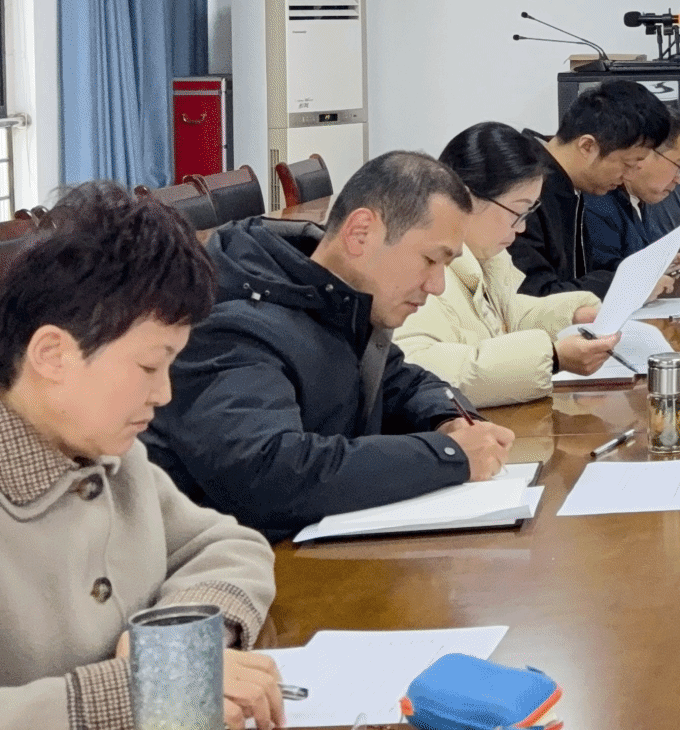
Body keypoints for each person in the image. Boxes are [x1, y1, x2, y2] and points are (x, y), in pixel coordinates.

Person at [2, 186, 282, 730]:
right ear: (52, 353)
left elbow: (228, 545)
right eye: (150, 366)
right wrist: (146, 693)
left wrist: (177, 645)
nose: (164, 394)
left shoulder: (108, 454)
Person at [144, 152, 516, 542]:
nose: (437, 285)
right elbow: (268, 473)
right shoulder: (234, 324)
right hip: (230, 560)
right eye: (430, 260)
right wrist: (447, 456)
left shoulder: (335, 296)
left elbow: (400, 382)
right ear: (360, 233)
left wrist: (447, 419)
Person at [396, 122, 619, 406]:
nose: (522, 228)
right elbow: (419, 368)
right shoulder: (422, 268)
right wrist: (552, 357)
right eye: (518, 212)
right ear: (465, 198)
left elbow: (505, 318)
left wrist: (572, 316)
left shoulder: (483, 259)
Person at [509, 79, 673, 296]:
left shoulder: (572, 185)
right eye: (627, 164)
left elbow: (583, 271)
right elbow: (536, 295)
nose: (629, 176)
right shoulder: (522, 188)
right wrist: (628, 286)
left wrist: (641, 270)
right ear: (587, 146)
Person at [584, 109, 680, 268]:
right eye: (679, 166)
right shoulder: (598, 206)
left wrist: (658, 263)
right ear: (643, 154)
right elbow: (606, 276)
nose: (679, 179)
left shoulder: (640, 198)